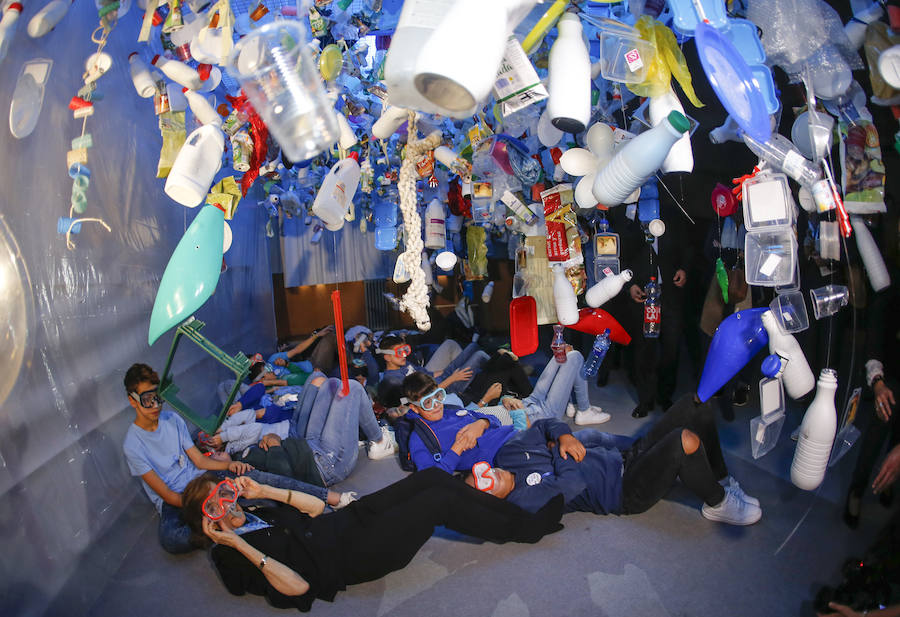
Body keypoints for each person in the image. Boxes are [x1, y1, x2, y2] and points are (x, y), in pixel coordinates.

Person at [181, 468, 565, 612]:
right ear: (205, 521)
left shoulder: (256, 511)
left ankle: (515, 516)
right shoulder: (230, 559)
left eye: (225, 494)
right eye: (214, 506)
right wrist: (239, 544)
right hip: (352, 555)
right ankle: (526, 528)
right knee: (439, 500)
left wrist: (265, 489)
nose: (227, 506)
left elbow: (315, 509)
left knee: (431, 477)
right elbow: (298, 588)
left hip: (348, 519)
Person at [121, 363, 352, 554]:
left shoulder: (172, 420)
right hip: (180, 500)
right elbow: (169, 496)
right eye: (147, 399)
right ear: (132, 400)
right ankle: (229, 519)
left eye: (158, 398)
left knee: (254, 476)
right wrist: (209, 504)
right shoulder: (133, 444)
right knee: (172, 539)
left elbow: (200, 462)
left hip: (202, 480)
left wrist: (230, 464)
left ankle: (329, 497)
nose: (155, 406)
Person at [465, 392, 762, 526]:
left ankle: (719, 477)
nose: (489, 474)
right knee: (684, 440)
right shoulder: (522, 501)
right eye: (484, 484)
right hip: (624, 490)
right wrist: (558, 448)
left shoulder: (508, 455)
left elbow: (544, 425)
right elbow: (572, 482)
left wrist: (564, 437)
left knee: (695, 403)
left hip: (623, 457)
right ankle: (719, 503)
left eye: (481, 471)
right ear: (490, 501)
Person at [402, 361, 608, 474]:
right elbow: (431, 479)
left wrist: (481, 424)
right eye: (428, 403)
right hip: (509, 451)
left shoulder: (449, 411)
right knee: (584, 445)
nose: (437, 406)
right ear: (414, 407)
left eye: (438, 397)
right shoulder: (421, 439)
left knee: (588, 436)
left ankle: (632, 445)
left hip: (516, 432)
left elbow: (491, 419)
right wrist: (458, 448)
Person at [209, 375, 396, 479]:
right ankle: (379, 441)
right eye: (211, 458)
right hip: (326, 464)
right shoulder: (241, 472)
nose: (213, 453)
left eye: (210, 452)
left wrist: (230, 424)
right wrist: (273, 445)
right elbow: (283, 479)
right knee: (352, 388)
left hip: (306, 444)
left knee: (330, 383)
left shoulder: (240, 453)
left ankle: (375, 433)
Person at [375, 334, 486, 402]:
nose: (404, 355)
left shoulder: (405, 364)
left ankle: (473, 377)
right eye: (399, 352)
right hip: (442, 391)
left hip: (443, 379)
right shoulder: (393, 380)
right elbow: (423, 396)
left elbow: (430, 374)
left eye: (405, 350)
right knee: (479, 356)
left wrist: (452, 369)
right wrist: (453, 378)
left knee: (473, 346)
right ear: (387, 357)